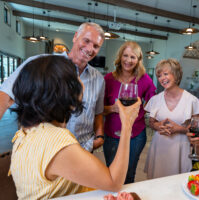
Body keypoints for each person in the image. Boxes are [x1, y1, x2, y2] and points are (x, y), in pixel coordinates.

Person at [9, 55, 141, 199]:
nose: (80, 79)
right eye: (74, 75)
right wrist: (127, 123)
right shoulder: (55, 140)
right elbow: (113, 182)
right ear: (63, 91)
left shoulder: (27, 130)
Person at [0, 22, 105, 152]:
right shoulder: (41, 64)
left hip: (82, 148)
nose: (90, 49)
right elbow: (5, 96)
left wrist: (99, 137)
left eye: (96, 46)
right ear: (75, 36)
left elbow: (98, 112)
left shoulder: (99, 79)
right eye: (86, 41)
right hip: (43, 150)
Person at [102, 41, 156, 184]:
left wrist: (141, 110)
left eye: (133, 57)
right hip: (112, 135)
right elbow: (99, 109)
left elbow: (153, 101)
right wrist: (114, 108)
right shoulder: (108, 79)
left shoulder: (145, 79)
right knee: (111, 174)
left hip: (135, 135)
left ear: (138, 60)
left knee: (129, 174)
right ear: (120, 57)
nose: (128, 60)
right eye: (125, 56)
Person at [144, 59, 199, 179]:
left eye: (166, 74)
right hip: (159, 147)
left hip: (180, 148)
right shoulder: (155, 99)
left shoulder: (191, 100)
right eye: (159, 75)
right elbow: (151, 122)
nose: (162, 78)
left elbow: (198, 130)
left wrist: (180, 129)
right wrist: (157, 126)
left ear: (176, 75)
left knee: (177, 184)